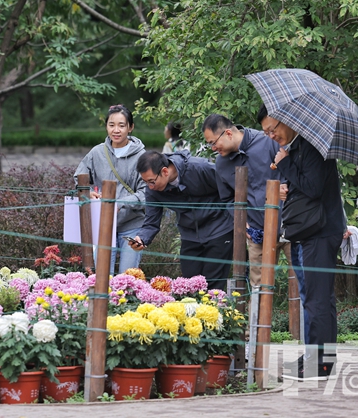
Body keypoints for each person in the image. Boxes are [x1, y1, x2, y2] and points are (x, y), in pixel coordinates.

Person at [258, 104, 346, 380]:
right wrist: (286, 186)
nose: (271, 135)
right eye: (266, 132)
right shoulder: (298, 147)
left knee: (317, 300)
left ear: (288, 122)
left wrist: (284, 163)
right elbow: (305, 184)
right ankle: (318, 359)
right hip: (314, 231)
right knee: (319, 298)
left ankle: (319, 365)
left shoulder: (311, 146)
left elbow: (314, 187)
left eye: (273, 129)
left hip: (319, 232)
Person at [127, 150, 234, 290]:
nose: (150, 187)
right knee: (188, 287)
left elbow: (232, 188)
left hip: (219, 229)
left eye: (152, 181)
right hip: (189, 235)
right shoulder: (153, 190)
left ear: (165, 171)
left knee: (213, 286)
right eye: (146, 182)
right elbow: (151, 222)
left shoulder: (199, 168)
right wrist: (141, 239)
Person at [201, 113, 280, 289]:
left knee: (299, 281)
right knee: (259, 287)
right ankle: (256, 318)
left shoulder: (268, 142)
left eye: (213, 142)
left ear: (228, 133)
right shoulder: (221, 163)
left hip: (288, 226)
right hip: (256, 232)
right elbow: (228, 198)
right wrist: (243, 223)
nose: (213, 148)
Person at [74, 104, 148, 273]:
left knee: (127, 278)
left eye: (122, 125)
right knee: (102, 276)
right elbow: (79, 178)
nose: (116, 130)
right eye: (111, 125)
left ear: (130, 127)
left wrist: (120, 203)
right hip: (102, 224)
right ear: (106, 126)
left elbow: (146, 193)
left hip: (132, 224)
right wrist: (87, 192)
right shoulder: (97, 152)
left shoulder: (142, 156)